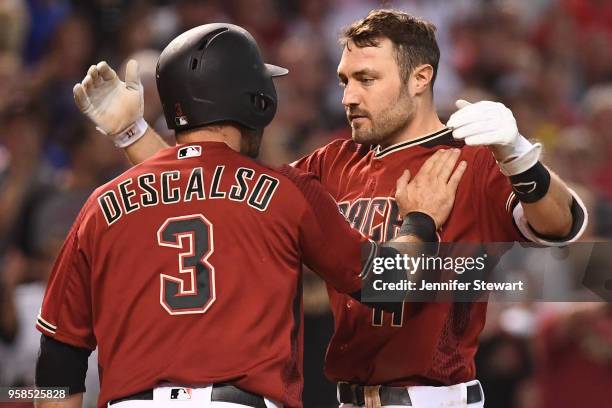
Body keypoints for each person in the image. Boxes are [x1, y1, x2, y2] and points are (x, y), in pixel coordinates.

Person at [70, 10, 588, 408]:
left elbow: (563, 225)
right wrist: (133, 134)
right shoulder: (331, 161)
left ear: (420, 77)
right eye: (344, 79)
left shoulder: (469, 157)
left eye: (367, 78)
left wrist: (520, 156)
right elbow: (219, 193)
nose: (349, 95)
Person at [34, 23, 467, 408]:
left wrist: (132, 136)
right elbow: (385, 284)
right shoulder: (286, 192)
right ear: (255, 101)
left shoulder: (102, 203)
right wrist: (420, 221)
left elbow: (57, 360)